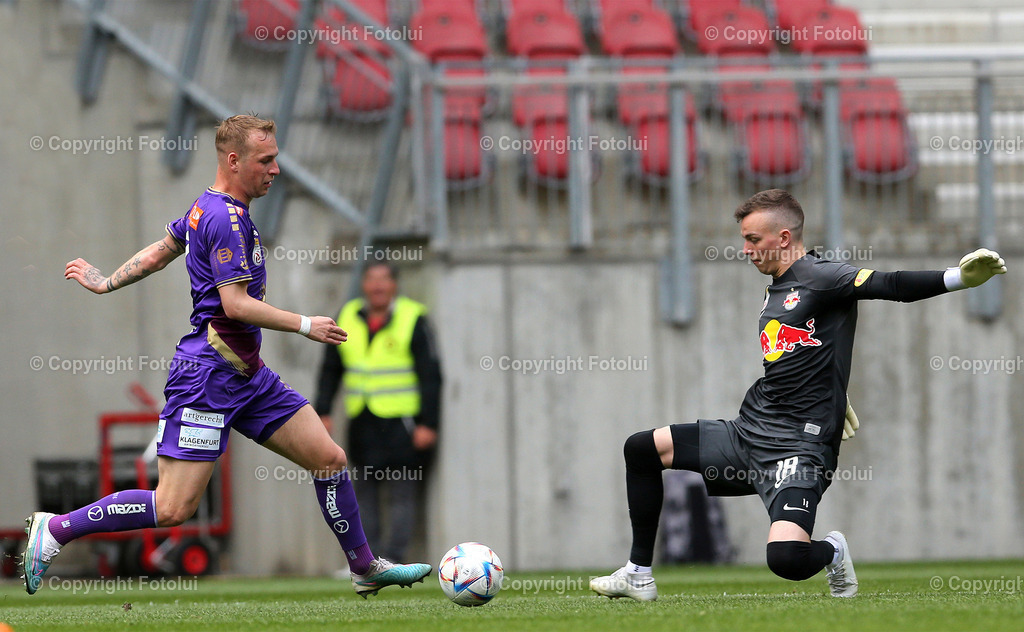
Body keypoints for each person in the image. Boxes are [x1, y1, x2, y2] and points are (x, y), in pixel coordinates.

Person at [21, 115, 431, 597]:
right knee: (172, 507)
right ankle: (56, 529)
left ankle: (364, 567)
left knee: (329, 458)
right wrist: (305, 324)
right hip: (207, 377)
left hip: (247, 375)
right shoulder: (224, 219)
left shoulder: (208, 207)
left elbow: (163, 249)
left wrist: (108, 280)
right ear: (234, 161)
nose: (276, 169)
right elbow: (234, 304)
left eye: (275, 158)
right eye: (266, 160)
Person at [590, 188, 1007, 601]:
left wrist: (960, 278)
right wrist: (831, 391)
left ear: (784, 237)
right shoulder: (776, 287)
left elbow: (890, 283)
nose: (745, 249)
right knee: (641, 449)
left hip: (800, 447)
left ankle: (833, 551)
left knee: (787, 559)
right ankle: (638, 574)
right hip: (749, 432)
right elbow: (803, 353)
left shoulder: (822, 276)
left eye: (753, 239)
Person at [314, 261, 442, 564]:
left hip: (402, 422)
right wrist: (323, 410)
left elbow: (430, 374)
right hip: (362, 420)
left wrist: (429, 423)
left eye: (384, 279)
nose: (377, 286)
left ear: (394, 284)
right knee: (362, 493)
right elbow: (330, 369)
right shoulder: (347, 316)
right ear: (363, 284)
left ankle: (394, 560)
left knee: (401, 492)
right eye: (371, 279)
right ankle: (368, 562)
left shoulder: (413, 317)